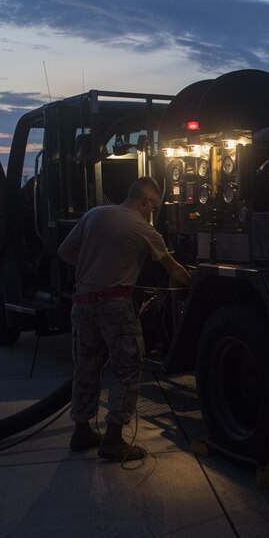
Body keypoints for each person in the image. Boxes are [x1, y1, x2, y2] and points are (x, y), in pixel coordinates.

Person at [58, 176, 191, 460]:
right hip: (114, 305)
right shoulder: (144, 229)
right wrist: (197, 282)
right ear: (146, 201)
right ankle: (114, 439)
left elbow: (64, 251)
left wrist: (91, 266)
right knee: (128, 368)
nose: (151, 211)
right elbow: (174, 269)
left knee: (86, 366)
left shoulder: (94, 214)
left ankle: (81, 431)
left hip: (82, 302)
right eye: (152, 206)